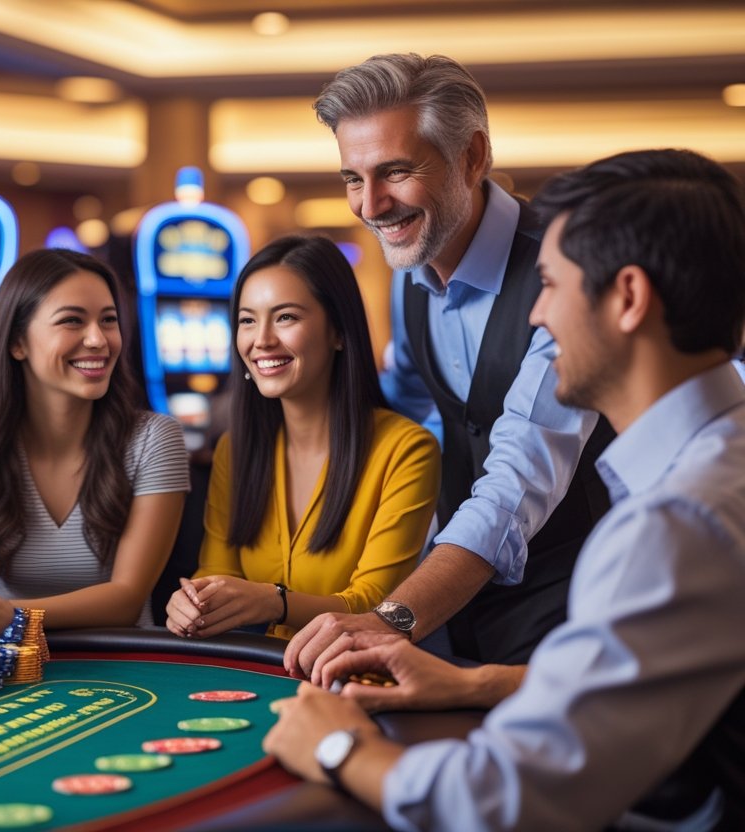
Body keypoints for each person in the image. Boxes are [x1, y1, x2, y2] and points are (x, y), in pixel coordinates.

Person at [264, 148, 745, 830]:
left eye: (550, 284)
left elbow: (504, 799)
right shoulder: (719, 465)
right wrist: (469, 683)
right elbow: (656, 678)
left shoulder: (672, 527)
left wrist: (338, 746)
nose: (537, 314)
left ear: (629, 298)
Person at [286, 53, 616, 670]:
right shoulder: (410, 270)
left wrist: (392, 618)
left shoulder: (567, 268)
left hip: (579, 599)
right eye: (352, 179)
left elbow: (517, 479)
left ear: (472, 156)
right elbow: (409, 426)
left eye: (395, 171)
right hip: (452, 600)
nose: (371, 205)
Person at [164, 236, 439, 639]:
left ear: (339, 332)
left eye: (286, 317)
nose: (261, 340)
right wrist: (193, 601)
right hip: (255, 673)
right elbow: (217, 572)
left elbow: (378, 606)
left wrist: (276, 601)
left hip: (352, 679)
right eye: (247, 320)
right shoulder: (235, 450)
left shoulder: (406, 450)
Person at [0, 248, 189, 639]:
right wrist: (2, 618)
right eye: (72, 321)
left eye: (108, 320)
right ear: (18, 342)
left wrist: (13, 615)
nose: (98, 339)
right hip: (8, 662)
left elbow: (125, 599)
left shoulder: (155, 437)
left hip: (128, 660)